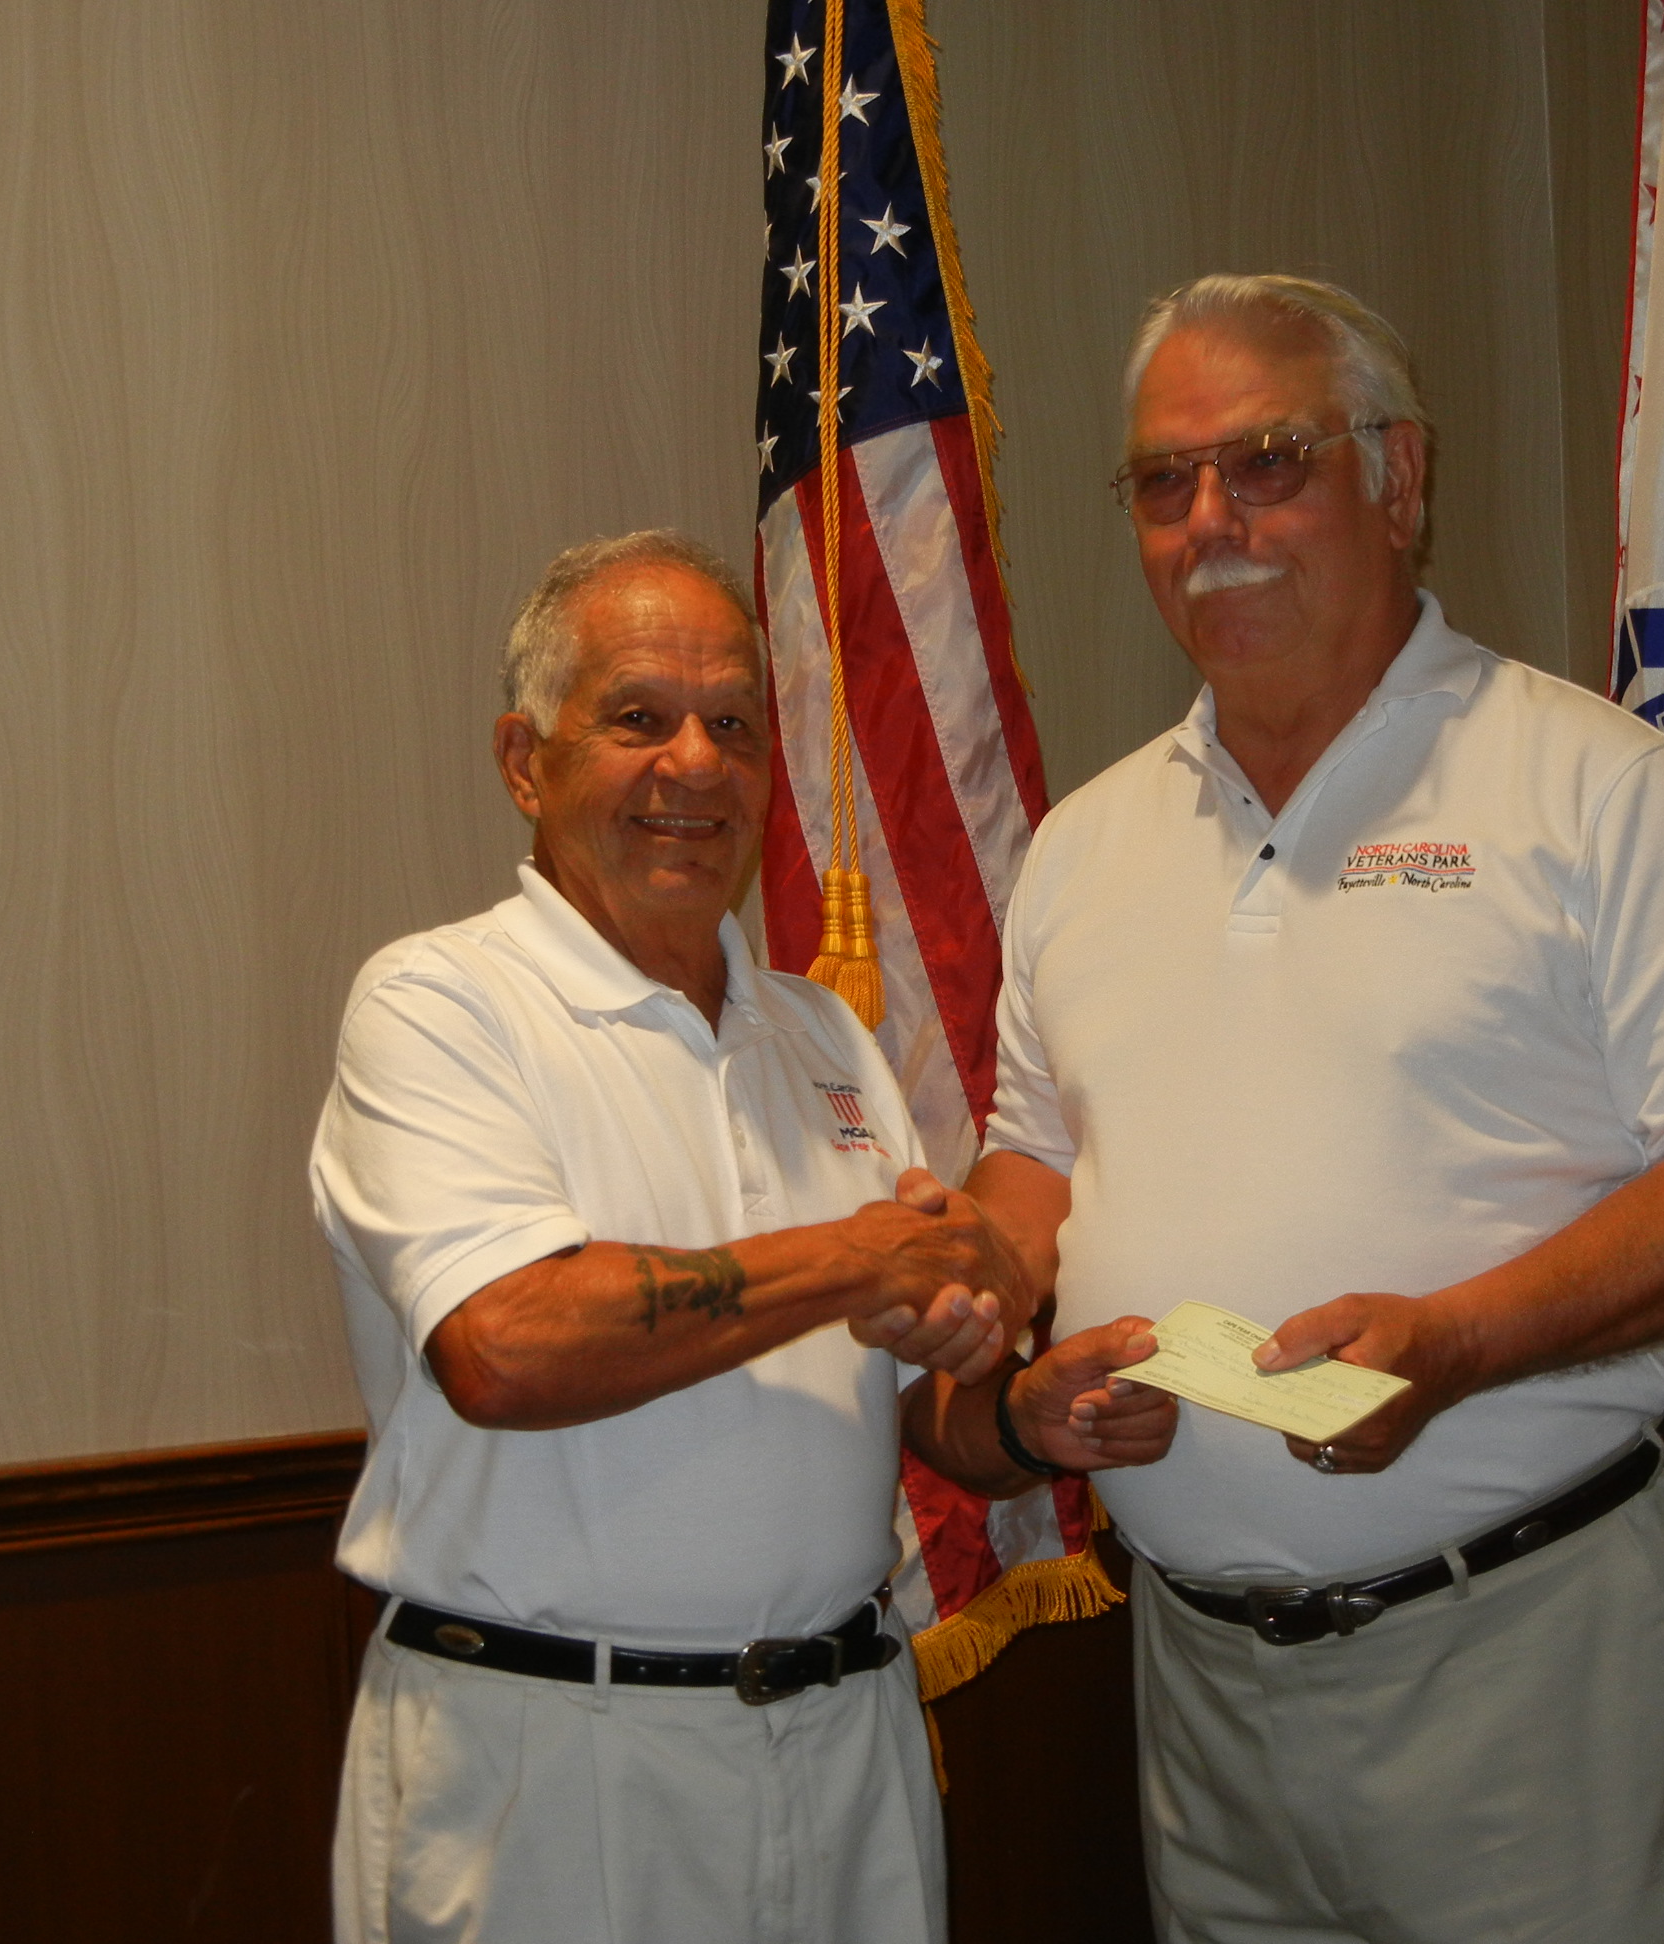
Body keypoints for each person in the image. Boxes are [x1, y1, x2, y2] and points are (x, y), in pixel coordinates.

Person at [909, 277, 1664, 1944]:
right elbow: (1039, 1169)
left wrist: (1458, 1347)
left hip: (1530, 1662)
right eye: (1161, 480)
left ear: (1398, 481)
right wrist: (1007, 1353)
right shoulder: (1086, 848)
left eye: (1268, 461)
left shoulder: (1588, 785)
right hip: (1199, 1688)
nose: (1212, 520)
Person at [309, 529, 1156, 1944]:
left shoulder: (819, 1036)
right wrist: (856, 1260)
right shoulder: (442, 1005)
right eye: (638, 719)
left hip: (847, 1745)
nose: (694, 764)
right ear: (525, 762)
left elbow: (916, 1408)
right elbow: (505, 1347)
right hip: (556, 1761)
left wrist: (1021, 1415)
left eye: (733, 726)